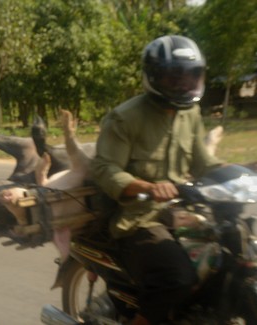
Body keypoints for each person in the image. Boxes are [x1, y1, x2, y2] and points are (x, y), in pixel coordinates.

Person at [91, 35, 222, 325]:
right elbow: (105, 169)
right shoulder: (126, 118)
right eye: (175, 78)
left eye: (191, 77)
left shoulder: (191, 113)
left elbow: (205, 164)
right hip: (139, 219)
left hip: (183, 213)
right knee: (176, 278)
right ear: (154, 77)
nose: (184, 85)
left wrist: (239, 172)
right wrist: (149, 187)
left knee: (232, 258)